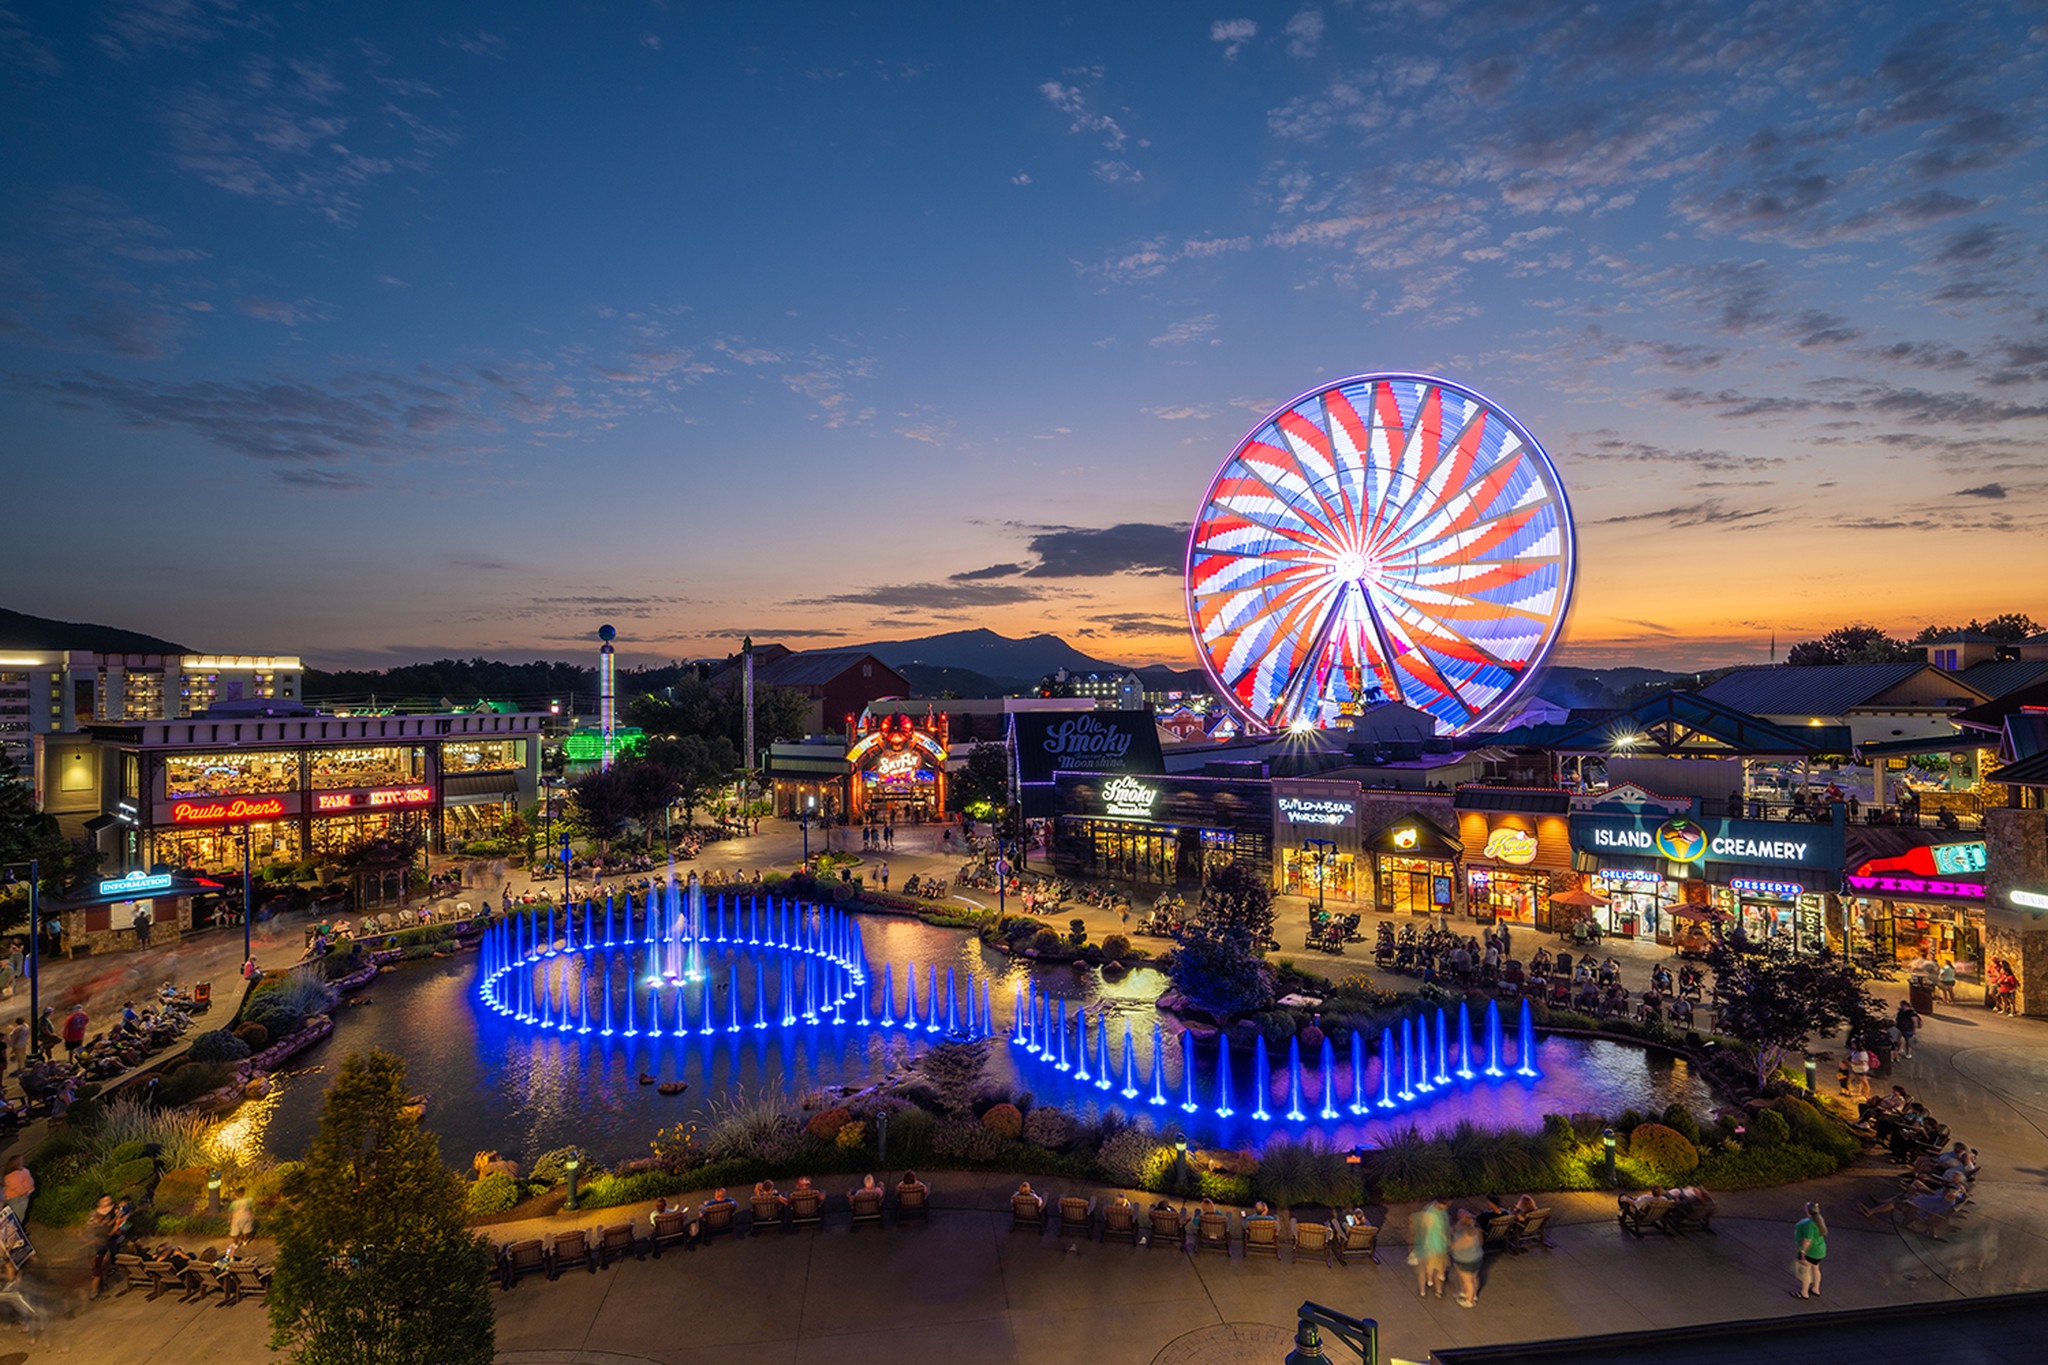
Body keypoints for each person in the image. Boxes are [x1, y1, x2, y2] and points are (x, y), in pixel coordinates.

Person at [1410, 1197, 1450, 1299]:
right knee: (1436, 1266)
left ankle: (1432, 1284)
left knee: (1434, 1266)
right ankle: (1436, 1286)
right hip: (1435, 1245)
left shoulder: (1435, 1211)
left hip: (1437, 1245)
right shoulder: (1433, 1214)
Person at [1449, 1207, 1484, 1307]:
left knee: (1467, 1280)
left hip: (1465, 1260)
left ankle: (1469, 1300)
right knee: (1474, 1278)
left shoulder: (1465, 1236)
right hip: (1477, 1257)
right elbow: (1481, 1243)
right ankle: (1471, 1294)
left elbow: (1455, 1247)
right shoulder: (1476, 1230)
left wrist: (1449, 1241)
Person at [1792, 1201, 1827, 1300]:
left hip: (1810, 1252)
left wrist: (1803, 1251)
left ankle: (1804, 1292)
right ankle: (1816, 1289)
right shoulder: (1819, 1220)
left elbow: (1807, 1240)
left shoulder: (1809, 1225)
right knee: (1816, 1268)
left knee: (1805, 1271)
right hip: (1820, 1251)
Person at [1, 1158, 32, 1227]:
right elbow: (16, 1186)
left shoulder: (17, 1172)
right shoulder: (14, 1175)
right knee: (18, 1217)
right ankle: (15, 1232)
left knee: (18, 1216)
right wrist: (24, 1192)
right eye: (21, 1160)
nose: (23, 1160)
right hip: (18, 1198)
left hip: (19, 1197)